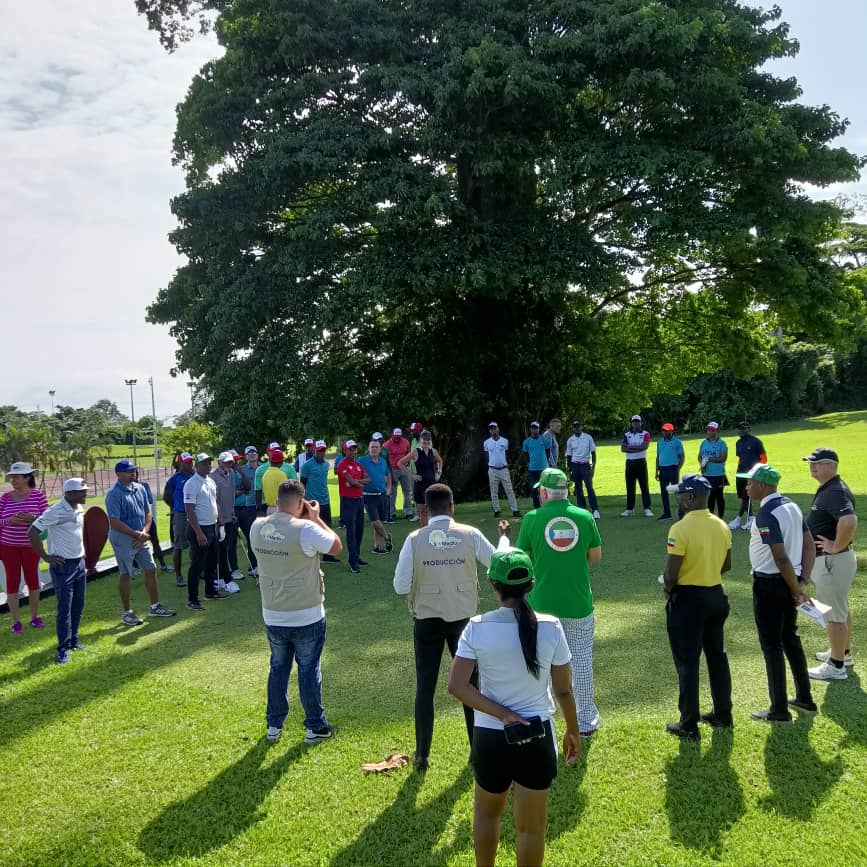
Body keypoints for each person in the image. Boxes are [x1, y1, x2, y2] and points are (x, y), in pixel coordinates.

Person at [448, 547, 581, 867]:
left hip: (491, 739)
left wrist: (503, 714)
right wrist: (573, 731)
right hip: (538, 738)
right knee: (531, 830)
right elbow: (563, 690)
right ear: (531, 584)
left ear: (493, 586)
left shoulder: (477, 626)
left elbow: (457, 686)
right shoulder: (551, 626)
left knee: (485, 815)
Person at [393, 483, 511, 771]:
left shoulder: (414, 538)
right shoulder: (469, 535)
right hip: (464, 621)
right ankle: (477, 751)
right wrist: (505, 538)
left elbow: (399, 586)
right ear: (452, 506)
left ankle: (422, 754)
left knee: (425, 686)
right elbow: (499, 563)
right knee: (470, 687)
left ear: (425, 509)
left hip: (427, 620)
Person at [250, 478, 342, 744]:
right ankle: (315, 726)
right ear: (301, 502)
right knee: (308, 669)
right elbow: (336, 547)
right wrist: (315, 518)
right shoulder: (306, 529)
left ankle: (274, 726)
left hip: (273, 612)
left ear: (277, 501)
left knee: (278, 668)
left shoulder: (257, 527)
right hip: (306, 613)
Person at [514, 467, 602, 736]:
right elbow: (595, 556)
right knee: (582, 661)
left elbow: (521, 558)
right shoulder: (585, 517)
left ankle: (545, 714)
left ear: (543, 492)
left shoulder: (531, 519)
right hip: (578, 603)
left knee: (543, 660)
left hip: (541, 605)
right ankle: (585, 722)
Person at [737, 463, 817, 720]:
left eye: (750, 483)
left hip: (771, 584)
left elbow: (780, 558)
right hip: (790, 581)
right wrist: (802, 581)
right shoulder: (792, 506)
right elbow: (809, 545)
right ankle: (805, 698)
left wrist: (797, 589)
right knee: (790, 639)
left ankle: (779, 709)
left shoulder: (766, 515)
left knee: (772, 646)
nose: (747, 487)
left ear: (762, 485)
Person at [662, 474, 733, 740]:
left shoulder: (680, 529)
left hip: (689, 601)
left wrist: (668, 591)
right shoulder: (721, 525)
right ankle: (723, 714)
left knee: (687, 662)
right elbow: (727, 565)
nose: (678, 498)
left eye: (681, 494)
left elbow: (671, 574)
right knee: (717, 657)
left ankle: (688, 723)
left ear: (691, 497)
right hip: (716, 596)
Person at [803, 447, 858, 681]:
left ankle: (836, 666)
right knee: (840, 608)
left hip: (832, 562)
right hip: (832, 561)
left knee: (834, 614)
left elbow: (849, 520)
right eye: (811, 462)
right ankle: (842, 654)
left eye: (818, 463)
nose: (812, 466)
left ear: (832, 466)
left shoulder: (835, 491)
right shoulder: (829, 488)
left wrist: (835, 545)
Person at [105, 459, 176, 626]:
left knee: (150, 569)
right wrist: (136, 534)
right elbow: (114, 521)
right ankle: (127, 613)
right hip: (123, 538)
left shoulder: (140, 488)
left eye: (134, 470)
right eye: (129, 471)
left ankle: (154, 606)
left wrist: (143, 532)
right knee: (126, 574)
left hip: (140, 535)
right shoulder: (114, 494)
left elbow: (147, 513)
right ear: (119, 474)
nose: (133, 473)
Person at [28, 478, 89, 664]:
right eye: (82, 491)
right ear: (69, 494)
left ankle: (73, 640)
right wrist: (46, 557)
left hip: (79, 564)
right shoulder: (55, 511)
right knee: (64, 609)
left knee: (77, 606)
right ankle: (62, 649)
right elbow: (32, 532)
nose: (85, 493)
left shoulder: (78, 507)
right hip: (63, 567)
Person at [1, 461, 48, 633]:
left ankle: (35, 617)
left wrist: (33, 517)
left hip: (31, 546)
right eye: (11, 477)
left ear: (27, 478)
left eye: (17, 477)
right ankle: (16, 622)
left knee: (32, 580)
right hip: (8, 547)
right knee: (12, 581)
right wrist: (9, 521)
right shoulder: (5, 498)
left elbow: (47, 519)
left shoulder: (38, 496)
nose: (13, 480)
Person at [184, 453, 228, 609]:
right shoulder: (191, 484)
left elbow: (215, 502)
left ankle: (210, 591)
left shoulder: (210, 481)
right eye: (204, 463)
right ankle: (193, 600)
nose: (208, 465)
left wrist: (220, 521)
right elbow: (189, 510)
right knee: (197, 565)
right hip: (199, 528)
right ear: (197, 466)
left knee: (212, 562)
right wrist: (199, 533)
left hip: (212, 526)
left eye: (209, 463)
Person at [300, 440, 339, 563]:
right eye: (319, 450)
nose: (321, 453)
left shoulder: (326, 465)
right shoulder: (307, 465)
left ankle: (328, 556)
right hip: (312, 503)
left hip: (325, 501)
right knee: (312, 529)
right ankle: (310, 555)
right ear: (315, 450)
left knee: (327, 528)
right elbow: (302, 484)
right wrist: (305, 501)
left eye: (323, 450)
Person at [336, 440, 371, 573]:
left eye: (354, 449)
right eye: (350, 449)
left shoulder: (358, 465)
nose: (353, 451)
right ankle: (353, 561)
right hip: (348, 501)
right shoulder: (342, 465)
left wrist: (357, 482)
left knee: (359, 530)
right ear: (345, 450)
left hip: (359, 500)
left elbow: (369, 479)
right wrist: (356, 483)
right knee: (351, 531)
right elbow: (351, 481)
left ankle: (356, 556)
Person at [211, 451, 243, 593]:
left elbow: (230, 497)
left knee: (226, 547)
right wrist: (220, 521)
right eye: (226, 462)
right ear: (219, 462)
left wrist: (232, 513)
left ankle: (220, 578)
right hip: (218, 521)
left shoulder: (231, 475)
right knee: (221, 550)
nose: (228, 465)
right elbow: (214, 501)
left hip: (230, 518)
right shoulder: (213, 477)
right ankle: (224, 579)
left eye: (230, 462)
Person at [399, 429, 443, 528]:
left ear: (430, 441)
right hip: (420, 485)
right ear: (421, 440)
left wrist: (438, 472)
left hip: (432, 484)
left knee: (432, 510)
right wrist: (412, 475)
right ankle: (424, 533)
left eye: (428, 441)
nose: (426, 443)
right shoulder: (416, 452)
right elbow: (400, 463)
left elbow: (440, 460)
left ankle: (434, 531)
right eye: (424, 441)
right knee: (423, 511)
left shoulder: (433, 451)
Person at [163, 452, 194, 587]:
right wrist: (176, 507)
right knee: (179, 545)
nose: (189, 464)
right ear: (180, 464)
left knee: (196, 543)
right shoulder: (174, 479)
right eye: (186, 462)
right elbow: (166, 496)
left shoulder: (195, 476)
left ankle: (197, 572)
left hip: (195, 512)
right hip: (181, 514)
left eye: (190, 462)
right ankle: (179, 576)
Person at [730, 421, 767, 530]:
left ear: (748, 429)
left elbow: (763, 458)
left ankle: (738, 519)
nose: (739, 430)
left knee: (746, 496)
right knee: (743, 497)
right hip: (740, 472)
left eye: (741, 428)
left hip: (751, 474)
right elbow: (740, 458)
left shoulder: (756, 442)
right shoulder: (738, 443)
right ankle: (751, 518)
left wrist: (759, 471)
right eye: (738, 428)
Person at [134, 469, 171, 573]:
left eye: (135, 473)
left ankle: (163, 565)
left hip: (147, 519)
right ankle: (136, 567)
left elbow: (149, 500)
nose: (134, 475)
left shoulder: (144, 485)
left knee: (155, 541)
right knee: (133, 544)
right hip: (134, 522)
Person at [359, 439, 393, 554]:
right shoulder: (362, 461)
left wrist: (388, 489)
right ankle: (387, 537)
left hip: (382, 495)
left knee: (380, 522)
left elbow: (388, 475)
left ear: (380, 449)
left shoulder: (383, 461)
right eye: (372, 447)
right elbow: (356, 475)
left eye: (376, 447)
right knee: (375, 522)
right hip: (369, 496)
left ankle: (377, 547)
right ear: (369, 448)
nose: (374, 449)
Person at [483, 422, 520, 518]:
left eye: (494, 428)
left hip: (504, 469)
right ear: (489, 431)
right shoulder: (486, 443)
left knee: (509, 490)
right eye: (491, 429)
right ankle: (496, 510)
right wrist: (491, 465)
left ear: (498, 429)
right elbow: (487, 456)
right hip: (492, 470)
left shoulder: (505, 441)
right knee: (493, 491)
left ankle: (515, 510)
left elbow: (505, 454)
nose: (493, 430)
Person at [620, 414, 653, 517]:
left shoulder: (645, 434)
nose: (636, 423)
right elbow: (623, 449)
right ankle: (630, 509)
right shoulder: (627, 434)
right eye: (634, 422)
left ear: (641, 422)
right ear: (632, 423)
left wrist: (631, 448)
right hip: (630, 462)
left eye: (637, 422)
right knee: (630, 486)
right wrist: (637, 448)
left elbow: (644, 446)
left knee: (644, 486)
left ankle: (647, 508)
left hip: (641, 462)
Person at [565, 421, 599, 519]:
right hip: (575, 466)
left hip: (585, 465)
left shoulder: (588, 438)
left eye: (578, 426)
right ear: (573, 428)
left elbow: (593, 453)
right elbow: (569, 456)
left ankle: (595, 510)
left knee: (589, 487)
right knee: (578, 489)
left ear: (581, 427)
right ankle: (582, 509)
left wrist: (593, 467)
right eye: (575, 427)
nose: (577, 428)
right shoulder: (570, 440)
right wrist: (569, 470)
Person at [236, 446, 260, 577]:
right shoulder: (242, 470)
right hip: (249, 506)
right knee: (252, 537)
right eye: (249, 453)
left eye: (254, 452)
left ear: (257, 454)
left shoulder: (264, 467)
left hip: (263, 505)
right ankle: (253, 566)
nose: (252, 454)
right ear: (245, 456)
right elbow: (240, 487)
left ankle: (264, 564)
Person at [698, 421, 728, 519]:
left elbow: (722, 458)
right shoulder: (704, 442)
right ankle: (710, 518)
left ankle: (721, 517)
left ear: (717, 431)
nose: (710, 432)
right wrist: (702, 464)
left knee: (718, 496)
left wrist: (708, 459)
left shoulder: (722, 443)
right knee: (709, 497)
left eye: (712, 430)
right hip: (707, 474)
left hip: (718, 474)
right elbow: (700, 456)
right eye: (708, 430)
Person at [655, 423, 685, 521]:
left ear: (671, 431)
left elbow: (681, 456)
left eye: (667, 430)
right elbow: (658, 457)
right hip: (662, 469)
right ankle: (667, 513)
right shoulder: (659, 442)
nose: (665, 432)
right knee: (664, 492)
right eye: (664, 430)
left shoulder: (677, 442)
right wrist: (657, 471)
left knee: (677, 492)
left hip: (673, 469)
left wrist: (678, 468)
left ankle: (681, 514)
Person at [257, 449, 296, 516]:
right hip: (280, 509)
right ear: (281, 462)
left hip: (269, 509)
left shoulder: (265, 474)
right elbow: (286, 492)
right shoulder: (281, 474)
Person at [386, 428, 413, 523]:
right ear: (392, 435)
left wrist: (407, 463)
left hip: (404, 468)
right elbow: (385, 460)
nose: (397, 439)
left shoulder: (405, 442)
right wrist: (389, 473)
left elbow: (408, 453)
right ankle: (392, 513)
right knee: (392, 493)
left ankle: (408, 512)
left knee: (407, 491)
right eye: (396, 437)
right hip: (393, 469)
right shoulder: (387, 445)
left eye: (399, 437)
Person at [522, 422, 551, 510]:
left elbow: (548, 453)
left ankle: (546, 506)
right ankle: (537, 508)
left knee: (545, 488)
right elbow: (526, 455)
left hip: (544, 469)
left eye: (536, 428)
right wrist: (531, 463)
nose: (535, 430)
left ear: (539, 429)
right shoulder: (526, 442)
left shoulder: (544, 440)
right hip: (532, 469)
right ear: (530, 429)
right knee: (534, 489)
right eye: (533, 428)